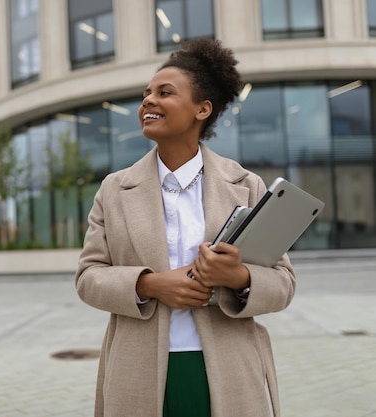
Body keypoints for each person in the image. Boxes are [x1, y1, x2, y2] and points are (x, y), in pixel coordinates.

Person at [75, 38, 296, 417]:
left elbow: (283, 283)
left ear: (202, 109)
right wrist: (149, 284)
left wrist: (240, 276)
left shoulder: (246, 186)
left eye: (165, 93)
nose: (148, 101)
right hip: (138, 368)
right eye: (146, 94)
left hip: (229, 367)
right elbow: (88, 277)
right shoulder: (115, 189)